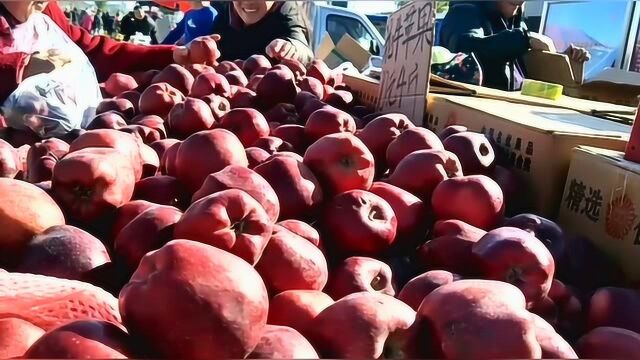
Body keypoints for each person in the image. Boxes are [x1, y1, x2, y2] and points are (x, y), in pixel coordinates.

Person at [0, 1, 212, 116]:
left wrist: (171, 54)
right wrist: (20, 67)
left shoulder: (46, 10)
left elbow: (91, 51)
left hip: (57, 131)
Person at [439, 0, 590, 91]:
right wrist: (525, 39)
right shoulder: (464, 11)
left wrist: (561, 62)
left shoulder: (517, 22)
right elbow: (466, 50)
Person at [210, 1, 313, 65]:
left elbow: (302, 47)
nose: (248, 2)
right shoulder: (223, 10)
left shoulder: (286, 10)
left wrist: (292, 48)